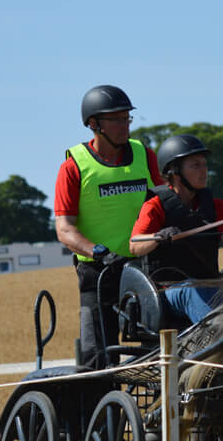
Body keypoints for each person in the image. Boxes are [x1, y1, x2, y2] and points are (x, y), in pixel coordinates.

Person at [54, 85, 164, 369]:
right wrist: (98, 251)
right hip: (99, 271)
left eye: (126, 118)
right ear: (94, 124)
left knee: (159, 345)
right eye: (116, 119)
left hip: (144, 266)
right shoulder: (73, 166)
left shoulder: (145, 155)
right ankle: (100, 408)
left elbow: (167, 203)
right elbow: (65, 229)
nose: (124, 125)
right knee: (98, 354)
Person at [129, 134, 223, 324]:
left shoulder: (216, 206)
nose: (204, 170)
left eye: (205, 164)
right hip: (167, 292)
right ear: (175, 172)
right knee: (190, 289)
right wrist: (159, 237)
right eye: (195, 165)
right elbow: (134, 245)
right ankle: (216, 335)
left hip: (208, 284)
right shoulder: (155, 206)